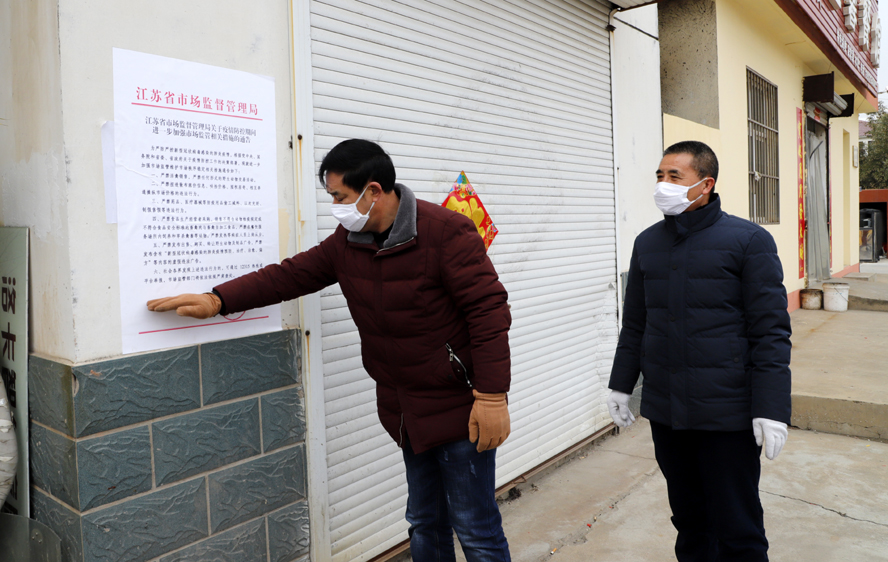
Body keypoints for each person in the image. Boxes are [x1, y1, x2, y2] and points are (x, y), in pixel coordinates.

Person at [148, 139, 512, 561]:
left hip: (460, 407)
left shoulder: (445, 232)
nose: (335, 206)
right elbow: (289, 276)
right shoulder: (348, 242)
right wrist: (218, 299)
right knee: (425, 521)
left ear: (373, 191)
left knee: (474, 527)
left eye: (339, 196)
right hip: (405, 411)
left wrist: (491, 395)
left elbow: (488, 310)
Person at [607, 141, 791, 562]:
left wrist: (771, 407)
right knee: (690, 523)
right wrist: (621, 384)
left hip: (726, 415)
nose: (663, 184)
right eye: (659, 175)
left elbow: (770, 332)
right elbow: (635, 324)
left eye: (675, 176)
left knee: (738, 528)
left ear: (705, 184)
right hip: (667, 413)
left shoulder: (748, 241)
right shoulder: (647, 243)